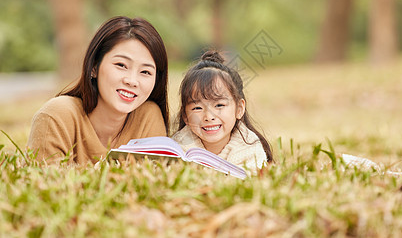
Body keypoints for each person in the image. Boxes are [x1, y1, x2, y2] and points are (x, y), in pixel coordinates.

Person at [28, 16, 169, 164]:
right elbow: (47, 182)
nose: (132, 81)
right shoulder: (56, 115)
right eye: (121, 65)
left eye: (145, 72)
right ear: (94, 66)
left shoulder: (147, 116)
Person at [172, 50, 273, 174]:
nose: (208, 117)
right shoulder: (177, 148)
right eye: (197, 108)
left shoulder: (250, 149)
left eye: (219, 105)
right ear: (185, 116)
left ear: (239, 109)